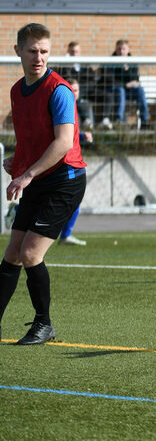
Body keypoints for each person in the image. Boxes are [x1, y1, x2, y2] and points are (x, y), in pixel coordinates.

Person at [0, 23, 87, 345]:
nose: (39, 57)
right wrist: (18, 163)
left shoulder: (59, 90)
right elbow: (30, 139)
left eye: (44, 51)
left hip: (65, 181)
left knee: (30, 254)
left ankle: (44, 324)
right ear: (18, 52)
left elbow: (63, 143)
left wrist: (27, 174)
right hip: (39, 178)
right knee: (12, 253)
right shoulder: (17, 90)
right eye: (32, 51)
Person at [57, 79, 93, 246]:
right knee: (49, 200)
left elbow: (70, 135)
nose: (74, 93)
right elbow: (60, 136)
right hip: (62, 161)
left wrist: (82, 137)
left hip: (73, 160)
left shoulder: (76, 107)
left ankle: (65, 235)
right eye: (71, 89)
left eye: (77, 90)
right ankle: (17, 210)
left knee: (73, 200)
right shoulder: (62, 105)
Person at [101, 39, 149, 129]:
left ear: (128, 50)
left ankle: (145, 121)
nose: (121, 51)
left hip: (130, 91)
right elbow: (109, 79)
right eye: (119, 49)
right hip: (114, 91)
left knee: (140, 91)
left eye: (124, 49)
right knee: (121, 90)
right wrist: (125, 85)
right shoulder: (110, 62)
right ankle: (119, 121)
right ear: (116, 49)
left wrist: (127, 69)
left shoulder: (132, 62)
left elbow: (135, 79)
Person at [56, 41, 97, 130]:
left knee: (107, 95)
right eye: (72, 52)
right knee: (74, 95)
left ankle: (105, 122)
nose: (74, 54)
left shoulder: (84, 63)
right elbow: (66, 79)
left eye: (76, 52)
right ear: (68, 52)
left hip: (86, 90)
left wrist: (81, 86)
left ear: (80, 52)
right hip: (71, 90)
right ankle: (86, 120)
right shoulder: (65, 64)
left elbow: (92, 79)